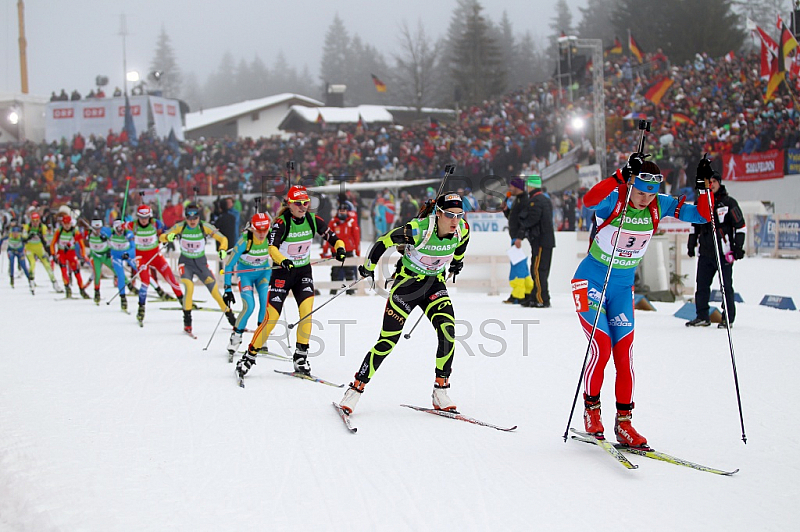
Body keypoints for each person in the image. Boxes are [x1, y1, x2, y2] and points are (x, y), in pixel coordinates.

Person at [572, 155, 713, 447]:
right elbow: (588, 201)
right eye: (640, 192)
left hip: (623, 288)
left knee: (625, 356)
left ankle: (624, 423)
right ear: (631, 184)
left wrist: (703, 187)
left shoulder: (659, 204)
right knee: (602, 346)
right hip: (591, 282)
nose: (645, 199)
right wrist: (619, 176)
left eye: (651, 194)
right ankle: (592, 411)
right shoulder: (616, 199)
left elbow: (702, 216)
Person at [337, 192, 470, 415]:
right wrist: (369, 266)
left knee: (448, 332)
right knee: (388, 341)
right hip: (407, 287)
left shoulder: (462, 229)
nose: (455, 220)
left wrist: (457, 263)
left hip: (434, 286)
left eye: (459, 214)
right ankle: (354, 391)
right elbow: (383, 241)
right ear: (438, 214)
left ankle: (441, 390)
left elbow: (462, 245)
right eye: (449, 215)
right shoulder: (418, 229)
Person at [235, 186, 346, 381]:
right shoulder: (281, 223)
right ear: (289, 204)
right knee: (272, 318)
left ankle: (300, 357)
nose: (303, 207)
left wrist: (340, 248)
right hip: (282, 273)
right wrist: (282, 260)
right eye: (298, 203)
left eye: (306, 203)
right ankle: (249, 357)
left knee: (307, 314)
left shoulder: (312, 220)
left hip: (303, 272)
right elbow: (272, 248)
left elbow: (334, 238)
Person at [160, 203, 233, 335]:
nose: (192, 221)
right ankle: (187, 322)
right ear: (185, 218)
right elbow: (162, 236)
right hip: (185, 263)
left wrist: (222, 250)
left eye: (195, 218)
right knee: (189, 287)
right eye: (189, 218)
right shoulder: (180, 227)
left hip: (201, 264)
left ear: (199, 217)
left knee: (215, 291)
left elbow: (223, 239)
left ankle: (232, 319)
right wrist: (168, 237)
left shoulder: (204, 226)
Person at [686, 169, 746, 329]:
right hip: (705, 252)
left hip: (723, 252)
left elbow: (740, 226)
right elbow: (694, 226)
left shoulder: (729, 202)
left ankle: (728, 318)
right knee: (702, 285)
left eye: (714, 182)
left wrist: (738, 247)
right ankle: (702, 316)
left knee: (726, 286)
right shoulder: (700, 202)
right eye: (708, 183)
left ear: (719, 183)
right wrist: (691, 244)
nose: (711, 185)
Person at [123, 205, 183, 325]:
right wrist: (118, 225)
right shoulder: (133, 225)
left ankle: (183, 301)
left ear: (149, 216)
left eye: (146, 217)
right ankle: (141, 308)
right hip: (141, 258)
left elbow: (162, 236)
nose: (143, 220)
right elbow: (119, 227)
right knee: (145, 281)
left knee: (170, 278)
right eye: (141, 217)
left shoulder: (156, 224)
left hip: (155, 256)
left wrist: (167, 238)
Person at [223, 212, 273, 358]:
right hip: (245, 275)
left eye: (265, 230)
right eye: (259, 230)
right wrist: (227, 288)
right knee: (249, 306)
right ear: (252, 228)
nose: (262, 234)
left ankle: (261, 338)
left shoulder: (271, 236)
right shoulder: (245, 240)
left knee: (265, 302)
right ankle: (236, 338)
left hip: (263, 273)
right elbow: (229, 265)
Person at [522, 175, 556, 308]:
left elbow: (533, 219)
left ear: (531, 186)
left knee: (538, 269)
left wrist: (523, 224)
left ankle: (541, 298)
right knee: (541, 269)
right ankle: (536, 296)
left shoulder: (536, 200)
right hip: (547, 240)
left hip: (541, 241)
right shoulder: (545, 199)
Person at [502, 176, 533, 304]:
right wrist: (506, 210)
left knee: (517, 268)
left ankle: (518, 295)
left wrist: (520, 237)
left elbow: (524, 221)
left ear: (517, 187)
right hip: (517, 238)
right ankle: (527, 292)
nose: (509, 188)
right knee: (522, 268)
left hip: (519, 239)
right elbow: (513, 218)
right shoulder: (518, 200)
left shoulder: (524, 200)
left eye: (511, 186)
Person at [322, 202, 360, 295]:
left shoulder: (351, 221)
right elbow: (327, 236)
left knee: (349, 270)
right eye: (340, 210)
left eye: (344, 211)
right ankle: (334, 289)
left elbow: (356, 236)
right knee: (335, 270)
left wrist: (357, 250)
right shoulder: (333, 222)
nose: (342, 212)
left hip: (349, 249)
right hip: (336, 249)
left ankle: (350, 289)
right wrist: (325, 250)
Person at [50, 215, 90, 299]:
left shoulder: (75, 232)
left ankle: (82, 290)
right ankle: (67, 289)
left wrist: (83, 255)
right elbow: (52, 243)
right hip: (61, 254)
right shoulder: (59, 231)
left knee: (77, 273)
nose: (67, 226)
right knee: (64, 271)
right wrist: (53, 254)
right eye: (65, 224)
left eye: (68, 224)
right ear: (62, 224)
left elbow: (81, 245)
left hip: (71, 254)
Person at [23, 212, 62, 292]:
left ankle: (55, 283)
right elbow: (23, 238)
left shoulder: (42, 227)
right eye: (33, 221)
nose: (35, 223)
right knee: (32, 264)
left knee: (47, 265)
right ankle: (31, 282)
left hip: (39, 248)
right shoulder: (27, 227)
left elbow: (46, 241)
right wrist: (29, 236)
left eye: (37, 221)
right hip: (29, 248)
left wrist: (41, 236)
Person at [108, 220, 139, 312]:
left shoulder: (128, 233)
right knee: (121, 276)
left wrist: (128, 253)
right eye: (118, 229)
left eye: (122, 229)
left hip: (127, 254)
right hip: (116, 257)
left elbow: (134, 247)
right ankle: (123, 299)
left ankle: (158, 290)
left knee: (140, 269)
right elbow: (101, 232)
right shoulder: (111, 233)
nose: (120, 232)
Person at [86, 217, 114, 304]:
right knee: (97, 275)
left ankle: (130, 286)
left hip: (105, 256)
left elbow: (111, 242)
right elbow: (86, 242)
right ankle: (96, 293)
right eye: (95, 229)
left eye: (99, 229)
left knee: (117, 271)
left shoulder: (104, 233)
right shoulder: (89, 234)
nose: (97, 231)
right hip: (96, 257)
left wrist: (109, 251)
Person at [4, 220, 34, 292]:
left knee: (23, 265)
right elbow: (2, 240)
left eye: (16, 233)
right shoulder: (9, 235)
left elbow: (26, 240)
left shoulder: (20, 237)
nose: (15, 234)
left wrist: (30, 236)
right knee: (11, 261)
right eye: (14, 233)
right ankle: (12, 277)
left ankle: (30, 280)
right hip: (11, 251)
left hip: (19, 252)